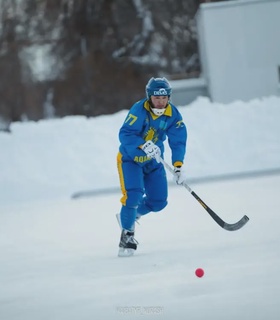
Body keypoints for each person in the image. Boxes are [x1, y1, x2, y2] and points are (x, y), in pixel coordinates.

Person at [116, 77, 187, 257]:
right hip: (131, 159)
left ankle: (131, 215)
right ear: (149, 97)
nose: (160, 102)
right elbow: (125, 134)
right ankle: (127, 235)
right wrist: (142, 144)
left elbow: (178, 141)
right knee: (133, 195)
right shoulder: (139, 110)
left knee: (159, 201)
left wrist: (178, 166)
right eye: (156, 98)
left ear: (169, 97)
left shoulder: (173, 114)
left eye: (164, 98)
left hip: (154, 161)